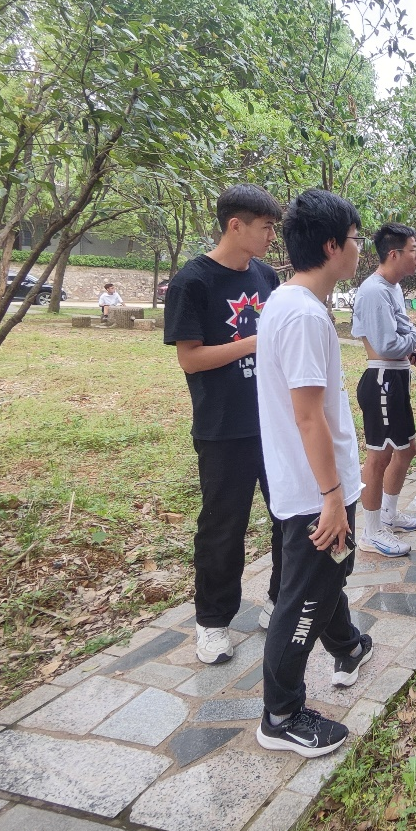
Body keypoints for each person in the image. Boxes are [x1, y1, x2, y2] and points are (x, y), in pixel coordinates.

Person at [254, 189, 370, 758]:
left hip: (309, 482)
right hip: (312, 490)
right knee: (303, 598)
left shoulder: (290, 302)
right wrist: (331, 495)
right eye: (354, 239)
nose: (358, 249)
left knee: (325, 579)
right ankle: (281, 714)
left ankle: (347, 646)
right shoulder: (302, 314)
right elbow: (307, 416)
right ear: (330, 246)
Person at [163, 184, 284, 665]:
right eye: (266, 227)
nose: (272, 236)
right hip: (223, 427)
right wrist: (254, 342)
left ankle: (279, 599)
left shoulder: (266, 276)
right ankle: (212, 622)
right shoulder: (193, 282)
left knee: (287, 516)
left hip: (273, 422)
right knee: (222, 528)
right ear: (236, 225)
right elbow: (190, 359)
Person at [350, 223, 416, 558]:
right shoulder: (374, 291)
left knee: (406, 450)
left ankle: (389, 515)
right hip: (381, 380)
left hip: (395, 376)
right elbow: (387, 344)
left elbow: (398, 338)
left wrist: (408, 342)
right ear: (394, 254)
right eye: (413, 249)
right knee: (379, 456)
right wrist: (414, 336)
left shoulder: (392, 288)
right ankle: (371, 532)